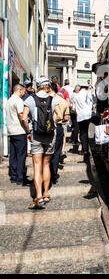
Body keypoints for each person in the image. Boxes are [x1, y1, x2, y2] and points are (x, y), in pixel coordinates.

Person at [23, 77, 62, 209]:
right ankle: (46, 193)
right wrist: (51, 124)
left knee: (37, 165)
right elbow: (60, 115)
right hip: (50, 135)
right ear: (47, 86)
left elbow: (23, 118)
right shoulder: (53, 99)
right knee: (46, 164)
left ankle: (38, 196)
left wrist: (28, 131)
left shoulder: (30, 99)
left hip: (36, 135)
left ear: (37, 86)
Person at [6, 84, 32, 186]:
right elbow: (22, 116)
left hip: (11, 131)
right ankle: (20, 177)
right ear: (20, 90)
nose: (24, 93)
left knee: (13, 155)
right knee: (21, 155)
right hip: (19, 131)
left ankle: (13, 175)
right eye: (24, 91)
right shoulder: (18, 101)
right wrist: (28, 130)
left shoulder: (9, 100)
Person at [48, 82, 70, 184]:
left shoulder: (41, 99)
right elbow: (66, 117)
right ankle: (53, 174)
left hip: (44, 130)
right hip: (58, 127)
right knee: (56, 152)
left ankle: (45, 175)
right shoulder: (63, 101)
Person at [73, 84, 93, 163]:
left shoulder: (76, 96)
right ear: (86, 88)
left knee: (82, 133)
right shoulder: (87, 93)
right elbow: (91, 102)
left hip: (80, 117)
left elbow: (74, 109)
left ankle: (85, 150)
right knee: (86, 132)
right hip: (87, 116)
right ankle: (86, 150)